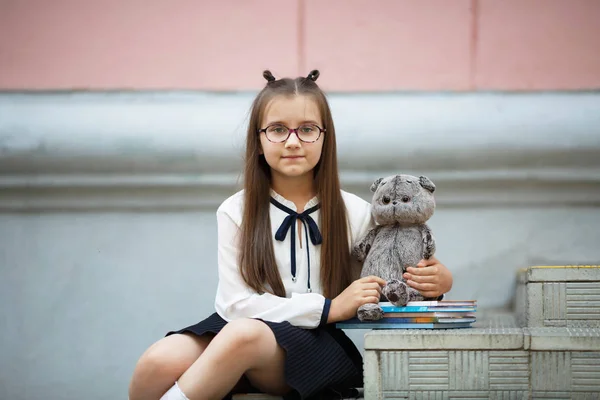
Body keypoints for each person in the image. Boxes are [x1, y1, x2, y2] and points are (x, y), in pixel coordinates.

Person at [128, 70, 453, 400]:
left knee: (244, 336)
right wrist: (328, 307)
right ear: (258, 140)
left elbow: (387, 280)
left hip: (314, 344)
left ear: (325, 138)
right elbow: (235, 304)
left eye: (308, 129)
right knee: (157, 362)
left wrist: (436, 284)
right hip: (239, 328)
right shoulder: (235, 210)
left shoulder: (355, 212)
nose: (293, 141)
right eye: (278, 129)